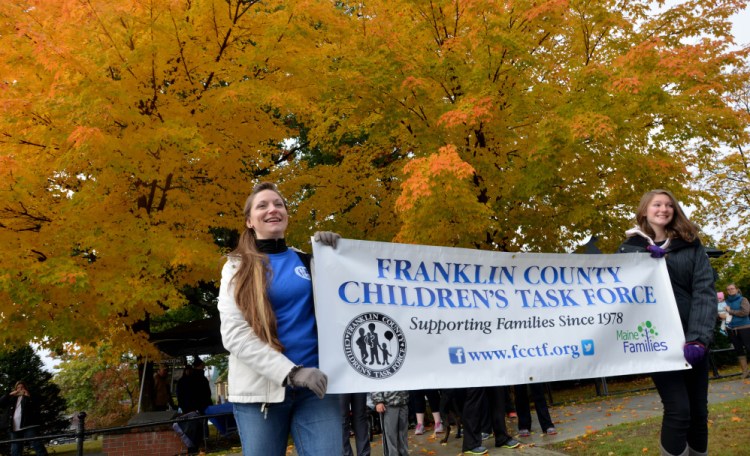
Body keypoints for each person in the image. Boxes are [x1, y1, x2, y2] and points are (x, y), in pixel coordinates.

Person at [217, 182, 342, 455]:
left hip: (317, 389)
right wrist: (292, 373)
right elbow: (235, 335)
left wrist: (334, 253)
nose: (272, 209)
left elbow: (345, 303)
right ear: (249, 221)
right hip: (260, 394)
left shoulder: (307, 260)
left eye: (278, 204)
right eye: (262, 205)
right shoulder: (235, 268)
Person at [619, 189, 716, 456]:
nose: (663, 209)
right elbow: (622, 300)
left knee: (698, 411)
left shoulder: (691, 243)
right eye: (657, 204)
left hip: (694, 342)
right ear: (644, 211)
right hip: (658, 344)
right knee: (679, 410)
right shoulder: (628, 249)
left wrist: (698, 338)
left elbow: (704, 290)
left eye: (669, 205)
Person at [0, 381, 48, 456]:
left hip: (29, 425)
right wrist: (9, 394)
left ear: (25, 388)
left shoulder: (31, 396)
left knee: (37, 444)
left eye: (22, 387)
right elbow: (1, 402)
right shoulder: (12, 398)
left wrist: (28, 396)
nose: (20, 389)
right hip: (14, 427)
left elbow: (37, 405)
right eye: (18, 387)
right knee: (15, 448)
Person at [723, 283, 750, 379]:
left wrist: (730, 311)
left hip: (744, 328)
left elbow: (745, 312)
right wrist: (721, 317)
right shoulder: (725, 302)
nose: (730, 290)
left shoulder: (743, 299)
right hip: (731, 329)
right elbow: (723, 315)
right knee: (739, 350)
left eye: (732, 288)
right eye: (728, 289)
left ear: (737, 289)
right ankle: (745, 372)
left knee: (749, 348)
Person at [372, 390, 410, 456]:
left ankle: (404, 454)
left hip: (403, 400)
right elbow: (376, 381)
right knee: (390, 435)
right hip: (388, 403)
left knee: (403, 434)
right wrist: (378, 401)